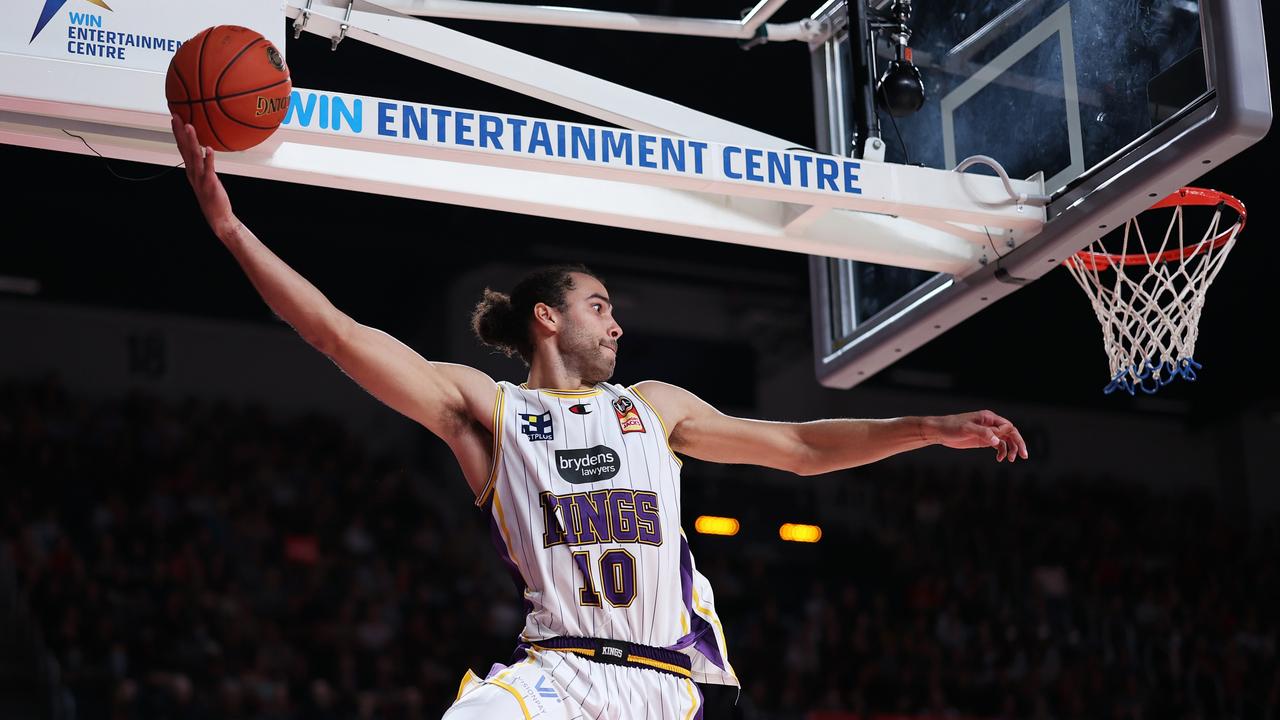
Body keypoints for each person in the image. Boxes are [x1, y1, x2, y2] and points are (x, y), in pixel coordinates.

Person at [171, 116, 1028, 720]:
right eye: (600, 305)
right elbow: (337, 334)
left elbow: (801, 447)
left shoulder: (652, 409)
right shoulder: (489, 412)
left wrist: (923, 427)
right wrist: (229, 228)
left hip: (678, 686)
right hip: (560, 681)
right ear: (549, 317)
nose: (618, 323)